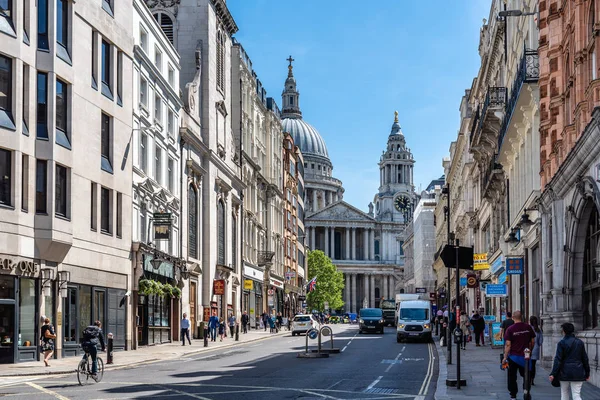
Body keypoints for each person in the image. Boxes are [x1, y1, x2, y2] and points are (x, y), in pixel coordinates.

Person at [549, 322, 590, 400]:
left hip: (564, 372)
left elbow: (558, 359)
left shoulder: (561, 343)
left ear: (564, 331)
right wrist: (587, 373)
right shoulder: (579, 342)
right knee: (576, 395)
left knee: (564, 394)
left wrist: (553, 373)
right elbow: (585, 359)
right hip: (578, 371)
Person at [503, 311, 536, 400]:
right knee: (526, 375)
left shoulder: (510, 329)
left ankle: (513, 395)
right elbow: (533, 341)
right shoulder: (528, 327)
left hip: (513, 356)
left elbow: (508, 344)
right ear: (522, 317)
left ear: (513, 317)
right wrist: (530, 351)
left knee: (512, 377)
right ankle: (526, 391)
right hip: (525, 356)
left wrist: (505, 357)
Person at [530, 315, 543, 386]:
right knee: (533, 365)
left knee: (528, 364)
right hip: (536, 349)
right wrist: (537, 344)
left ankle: (528, 378)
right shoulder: (538, 330)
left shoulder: (528, 328)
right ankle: (532, 379)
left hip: (528, 349)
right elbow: (541, 341)